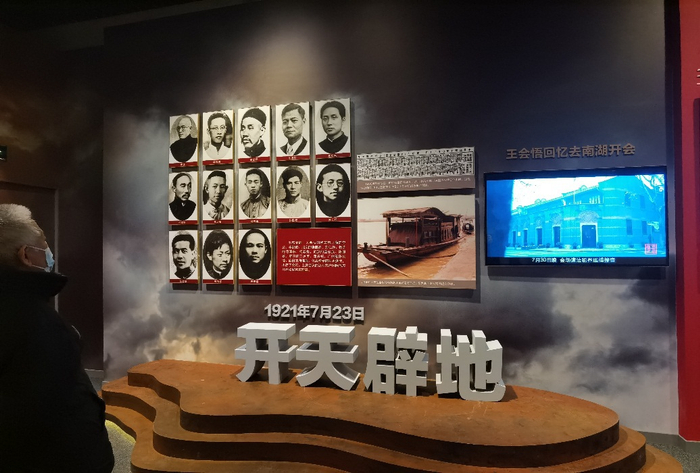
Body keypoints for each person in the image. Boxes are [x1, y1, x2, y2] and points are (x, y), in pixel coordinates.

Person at [0, 204, 115, 473]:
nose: (49, 252)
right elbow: (54, 411)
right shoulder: (39, 323)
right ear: (26, 255)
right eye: (44, 244)